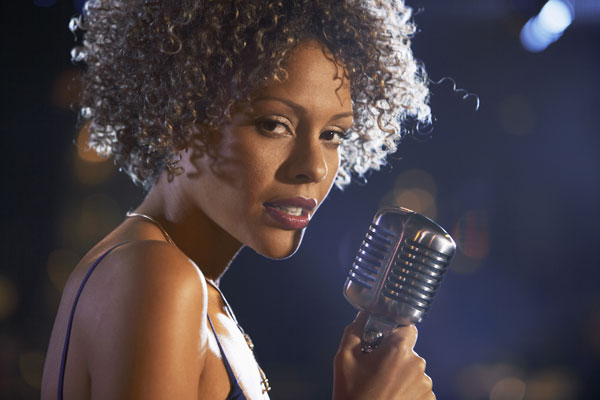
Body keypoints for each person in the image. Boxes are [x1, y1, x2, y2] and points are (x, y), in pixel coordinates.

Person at [41, 0, 434, 398]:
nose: (313, 167)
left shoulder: (179, 280)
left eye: (332, 134)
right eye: (274, 124)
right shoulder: (158, 276)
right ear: (180, 116)